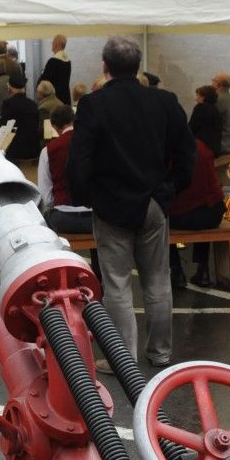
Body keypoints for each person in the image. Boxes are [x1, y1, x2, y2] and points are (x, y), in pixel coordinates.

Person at [68, 36, 195, 367]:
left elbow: (79, 160)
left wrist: (86, 197)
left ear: (104, 66)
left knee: (117, 285)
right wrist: (171, 189)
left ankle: (122, 360)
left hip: (111, 204)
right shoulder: (165, 101)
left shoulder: (93, 104)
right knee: (158, 280)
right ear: (138, 66)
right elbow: (187, 153)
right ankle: (160, 353)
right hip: (154, 200)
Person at [169, 138, 226, 288]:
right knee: (203, 210)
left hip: (183, 215)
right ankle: (203, 270)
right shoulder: (202, 147)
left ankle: (176, 271)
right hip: (213, 215)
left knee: (158, 220)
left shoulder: (170, 149)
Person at [38, 104, 93, 235]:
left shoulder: (48, 151)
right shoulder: (92, 142)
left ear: (54, 126)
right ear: (74, 120)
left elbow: (46, 198)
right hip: (93, 217)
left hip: (63, 218)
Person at [0, 68, 42, 176]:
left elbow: (4, 125)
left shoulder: (8, 104)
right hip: (34, 148)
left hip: (16, 150)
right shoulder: (33, 104)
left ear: (9, 89)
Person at [211, 71, 230, 159]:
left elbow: (209, 123)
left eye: (213, 80)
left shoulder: (217, 99)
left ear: (218, 84)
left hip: (222, 150)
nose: (211, 83)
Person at [189, 85, 224, 158]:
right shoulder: (216, 111)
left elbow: (191, 128)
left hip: (201, 149)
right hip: (214, 150)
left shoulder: (200, 108)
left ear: (203, 97)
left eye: (197, 96)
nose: (196, 99)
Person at [40, 34, 71, 105]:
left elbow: (45, 81)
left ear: (56, 44)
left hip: (55, 100)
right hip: (65, 97)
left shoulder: (53, 61)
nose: (51, 45)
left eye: (52, 43)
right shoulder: (68, 61)